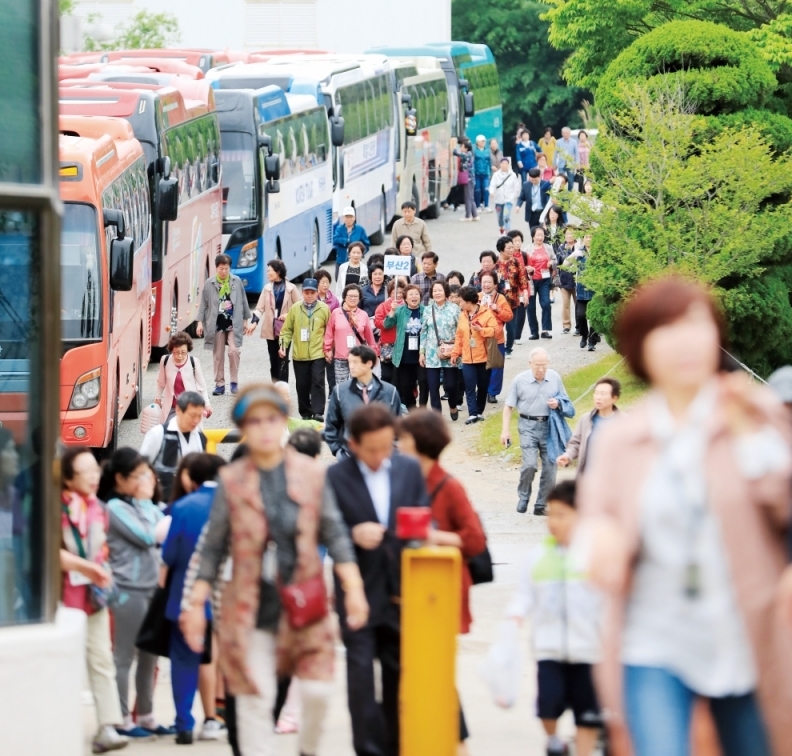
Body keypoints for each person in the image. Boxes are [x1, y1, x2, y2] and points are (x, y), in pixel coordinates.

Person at [578, 277, 792, 756]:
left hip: (744, 636)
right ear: (640, 347)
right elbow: (595, 520)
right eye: (665, 329)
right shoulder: (622, 440)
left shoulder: (756, 415)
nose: (684, 341)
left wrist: (746, 437)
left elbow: (784, 502)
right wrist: (601, 539)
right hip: (654, 639)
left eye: (695, 324)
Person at [179, 384, 369, 756]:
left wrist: (353, 585)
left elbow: (335, 531)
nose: (265, 428)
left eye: (272, 419)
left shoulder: (312, 474)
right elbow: (214, 545)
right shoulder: (232, 480)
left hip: (304, 603)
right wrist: (195, 601)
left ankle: (307, 749)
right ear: (244, 427)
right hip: (251, 607)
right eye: (255, 421)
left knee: (317, 691)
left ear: (282, 422)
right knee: (254, 699)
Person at [326, 403, 428, 756]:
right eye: (372, 449)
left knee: (399, 676)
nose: (381, 455)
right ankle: (368, 749)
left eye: (388, 445)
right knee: (360, 679)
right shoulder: (336, 478)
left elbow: (422, 517)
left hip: (402, 591)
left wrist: (418, 533)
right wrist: (354, 534)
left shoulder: (408, 469)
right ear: (353, 445)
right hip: (357, 592)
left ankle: (397, 746)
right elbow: (327, 531)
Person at [396, 410, 487, 753]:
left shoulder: (449, 486)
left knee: (435, 669)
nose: (398, 445)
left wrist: (435, 535)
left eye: (403, 439)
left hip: (441, 589)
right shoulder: (403, 481)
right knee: (420, 671)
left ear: (418, 443)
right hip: (409, 587)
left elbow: (475, 540)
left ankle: (454, 741)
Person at [508, 480, 604, 756]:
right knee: (547, 705)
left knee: (588, 713)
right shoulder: (538, 556)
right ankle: (553, 741)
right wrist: (516, 613)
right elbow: (524, 593)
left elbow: (609, 601)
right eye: (550, 515)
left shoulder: (594, 556)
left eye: (561, 515)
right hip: (549, 648)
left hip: (589, 649)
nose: (553, 522)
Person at [60, 447, 129, 754]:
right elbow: (52, 553)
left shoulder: (98, 507)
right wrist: (88, 566)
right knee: (64, 665)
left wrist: (100, 567)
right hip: (62, 600)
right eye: (85, 472)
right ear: (67, 478)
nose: (93, 476)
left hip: (94, 597)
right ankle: (58, 725)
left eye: (95, 470)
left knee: (102, 660)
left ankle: (109, 725)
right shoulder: (55, 509)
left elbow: (103, 549)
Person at [99, 448, 168, 739]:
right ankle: (122, 718)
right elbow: (149, 536)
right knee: (124, 657)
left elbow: (163, 528)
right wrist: (148, 505)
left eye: (147, 474)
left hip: (152, 589)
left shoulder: (147, 506)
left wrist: (150, 505)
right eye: (139, 475)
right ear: (120, 479)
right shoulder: (114, 508)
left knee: (150, 657)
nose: (147, 479)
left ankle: (147, 716)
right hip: (128, 590)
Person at [161, 453, 226, 744]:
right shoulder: (233, 505)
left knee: (184, 661)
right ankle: (216, 718)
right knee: (217, 658)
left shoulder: (181, 507)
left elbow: (169, 555)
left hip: (184, 595)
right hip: (225, 595)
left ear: (191, 478)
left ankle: (184, 723)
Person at [501, 348, 574, 515]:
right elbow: (509, 406)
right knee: (530, 465)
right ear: (530, 364)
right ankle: (524, 496)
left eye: (544, 365)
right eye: (537, 365)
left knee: (550, 467)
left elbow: (566, 402)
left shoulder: (555, 378)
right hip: (527, 426)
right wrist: (505, 431)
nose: (541, 369)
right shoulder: (520, 380)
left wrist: (558, 403)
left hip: (549, 427)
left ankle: (541, 505)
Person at [324, 345, 402, 459]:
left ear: (369, 363)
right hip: (349, 457)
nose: (351, 366)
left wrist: (392, 452)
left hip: (382, 458)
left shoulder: (390, 392)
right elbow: (331, 425)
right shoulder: (340, 391)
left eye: (356, 362)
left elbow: (397, 426)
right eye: (350, 362)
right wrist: (338, 452)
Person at [196, 253, 251, 397]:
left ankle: (234, 382)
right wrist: (199, 323)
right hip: (216, 323)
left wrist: (246, 320)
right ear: (216, 268)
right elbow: (203, 304)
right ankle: (219, 384)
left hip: (233, 322)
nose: (224, 271)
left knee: (234, 351)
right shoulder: (210, 283)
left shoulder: (236, 281)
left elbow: (243, 301)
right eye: (221, 268)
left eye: (226, 268)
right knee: (218, 355)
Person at [278, 278, 331, 422]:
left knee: (318, 381)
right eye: (307, 292)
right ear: (302, 292)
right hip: (300, 354)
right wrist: (283, 345)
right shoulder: (295, 308)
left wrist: (328, 348)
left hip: (318, 352)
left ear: (317, 293)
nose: (309, 295)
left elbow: (329, 330)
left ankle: (318, 412)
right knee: (302, 385)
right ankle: (305, 412)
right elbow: (286, 331)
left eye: (312, 292)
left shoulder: (324, 309)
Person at [141, 391, 208, 501]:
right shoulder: (158, 434)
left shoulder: (200, 437)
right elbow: (142, 468)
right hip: (162, 501)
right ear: (178, 410)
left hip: (191, 500)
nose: (196, 420)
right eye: (192, 415)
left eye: (199, 416)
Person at [451, 287, 499, 425]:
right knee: (469, 386)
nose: (459, 304)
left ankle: (479, 412)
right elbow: (459, 336)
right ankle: (472, 414)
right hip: (467, 358)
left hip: (484, 357)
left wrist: (481, 330)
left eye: (461, 301)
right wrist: (455, 353)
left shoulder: (486, 313)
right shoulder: (462, 315)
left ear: (469, 302)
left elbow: (496, 331)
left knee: (483, 387)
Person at [249, 259, 300, 383]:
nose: (267, 273)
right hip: (270, 330)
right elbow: (259, 308)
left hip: (285, 329)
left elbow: (300, 306)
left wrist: (288, 314)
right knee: (274, 361)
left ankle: (283, 389)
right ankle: (276, 387)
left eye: (269, 271)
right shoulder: (267, 288)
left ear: (278, 272)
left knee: (283, 359)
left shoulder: (291, 288)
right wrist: (254, 323)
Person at [557, 378, 621, 474]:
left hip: (614, 478)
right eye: (596, 393)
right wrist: (567, 456)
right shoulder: (585, 419)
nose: (598, 397)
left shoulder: (625, 422)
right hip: (588, 477)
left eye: (603, 394)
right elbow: (575, 443)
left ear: (614, 398)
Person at [420, 281, 462, 420]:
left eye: (440, 290)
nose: (437, 293)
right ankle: (437, 418)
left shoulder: (454, 309)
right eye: (435, 291)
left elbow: (460, 331)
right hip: (432, 354)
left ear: (446, 292)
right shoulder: (427, 310)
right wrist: (422, 352)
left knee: (450, 385)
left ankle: (452, 405)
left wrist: (458, 349)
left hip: (451, 353)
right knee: (433, 387)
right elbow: (423, 332)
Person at [324, 283, 377, 384]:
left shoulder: (363, 315)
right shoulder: (336, 313)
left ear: (360, 298)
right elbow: (329, 333)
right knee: (341, 386)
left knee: (358, 386)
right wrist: (327, 349)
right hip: (340, 357)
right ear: (344, 297)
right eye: (350, 296)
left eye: (356, 296)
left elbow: (370, 337)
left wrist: (373, 353)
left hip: (358, 356)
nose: (353, 298)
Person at [154, 331, 212, 422]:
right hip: (171, 408)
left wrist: (207, 404)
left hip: (190, 408)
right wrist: (158, 398)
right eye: (176, 352)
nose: (180, 356)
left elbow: (202, 386)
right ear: (172, 350)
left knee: (188, 433)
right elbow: (161, 382)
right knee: (170, 431)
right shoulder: (165, 361)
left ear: (188, 350)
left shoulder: (194, 362)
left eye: (183, 352)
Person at [384, 284, 425, 410]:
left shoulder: (426, 310)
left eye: (416, 294)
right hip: (404, 355)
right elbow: (387, 324)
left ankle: (422, 408)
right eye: (411, 294)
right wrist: (392, 311)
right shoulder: (400, 310)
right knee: (406, 386)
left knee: (424, 382)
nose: (414, 297)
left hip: (421, 356)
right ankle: (412, 409)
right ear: (405, 298)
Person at [561, 234, 600, 351]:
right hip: (582, 290)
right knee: (581, 315)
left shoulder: (598, 252)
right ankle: (584, 334)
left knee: (593, 317)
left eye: (591, 237)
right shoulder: (579, 252)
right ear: (583, 239)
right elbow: (564, 265)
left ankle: (592, 341)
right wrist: (573, 256)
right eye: (586, 237)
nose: (589, 239)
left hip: (595, 290)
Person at [479, 271, 513, 405]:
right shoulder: (477, 297)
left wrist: (497, 309)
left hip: (496, 337)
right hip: (480, 337)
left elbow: (509, 316)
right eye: (484, 282)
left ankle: (492, 392)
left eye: (489, 282)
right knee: (480, 367)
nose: (486, 285)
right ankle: (481, 390)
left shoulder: (500, 298)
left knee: (496, 367)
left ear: (494, 284)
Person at [494, 235, 529, 358]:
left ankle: (508, 348)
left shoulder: (516, 262)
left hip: (512, 300)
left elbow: (523, 279)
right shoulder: (494, 264)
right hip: (496, 302)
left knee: (511, 327)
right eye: (508, 248)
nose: (511, 250)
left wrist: (525, 293)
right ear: (501, 249)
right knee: (497, 327)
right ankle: (497, 349)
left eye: (512, 248)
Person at [525, 226, 555, 340]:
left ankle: (545, 330)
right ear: (533, 236)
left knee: (546, 303)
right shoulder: (527, 249)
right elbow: (523, 265)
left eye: (542, 235)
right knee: (531, 307)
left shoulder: (548, 248)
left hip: (544, 281)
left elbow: (555, 259)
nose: (539, 237)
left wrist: (551, 263)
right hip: (531, 281)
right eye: (537, 235)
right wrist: (529, 268)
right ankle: (534, 332)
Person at [373, 279, 405, 386]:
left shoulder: (408, 306)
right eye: (395, 293)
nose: (399, 295)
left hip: (403, 344)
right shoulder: (383, 306)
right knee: (387, 375)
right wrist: (391, 312)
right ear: (390, 293)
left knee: (401, 375)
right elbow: (378, 322)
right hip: (387, 345)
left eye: (401, 292)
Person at [488, 157, 521, 235]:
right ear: (500, 164)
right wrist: (492, 192)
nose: (504, 165)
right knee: (499, 216)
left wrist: (515, 195)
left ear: (508, 165)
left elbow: (516, 186)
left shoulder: (512, 175)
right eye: (503, 164)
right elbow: (492, 185)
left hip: (509, 199)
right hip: (498, 199)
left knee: (506, 215)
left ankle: (507, 230)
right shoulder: (496, 175)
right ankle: (501, 227)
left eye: (506, 164)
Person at [333, 206, 370, 273]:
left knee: (354, 280)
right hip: (341, 260)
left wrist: (360, 253)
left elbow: (366, 244)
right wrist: (346, 241)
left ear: (354, 218)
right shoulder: (339, 228)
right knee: (339, 280)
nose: (349, 219)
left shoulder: (360, 229)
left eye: (351, 217)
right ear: (343, 218)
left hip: (355, 262)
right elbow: (335, 239)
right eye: (347, 217)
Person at [556, 228, 579, 335]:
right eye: (568, 234)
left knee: (578, 304)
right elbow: (557, 265)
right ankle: (566, 325)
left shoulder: (579, 248)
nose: (570, 236)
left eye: (572, 234)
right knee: (565, 304)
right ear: (564, 235)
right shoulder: (561, 248)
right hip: (564, 280)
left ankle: (579, 326)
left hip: (577, 280)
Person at [452, 141, 478, 221]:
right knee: (471, 197)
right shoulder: (470, 154)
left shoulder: (466, 154)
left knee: (467, 197)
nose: (461, 148)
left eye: (462, 146)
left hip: (468, 179)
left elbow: (455, 152)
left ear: (466, 148)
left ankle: (468, 216)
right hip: (471, 178)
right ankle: (475, 215)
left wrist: (453, 145)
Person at [473, 135, 492, 211]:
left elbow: (490, 162)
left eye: (484, 141)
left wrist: (490, 172)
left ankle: (486, 205)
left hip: (485, 173)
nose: (483, 143)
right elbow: (473, 162)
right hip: (476, 173)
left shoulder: (487, 151)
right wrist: (473, 172)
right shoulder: (474, 151)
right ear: (477, 142)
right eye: (481, 141)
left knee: (486, 189)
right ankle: (478, 206)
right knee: (477, 190)